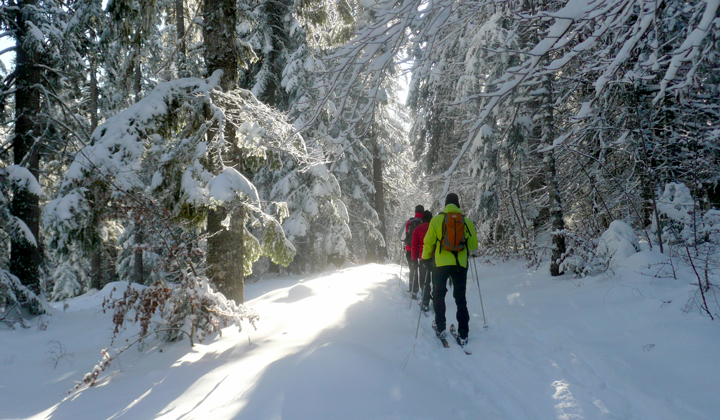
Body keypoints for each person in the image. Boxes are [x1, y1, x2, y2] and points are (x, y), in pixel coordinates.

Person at [421, 193, 477, 345]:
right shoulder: (466, 222)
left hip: (440, 265)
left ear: (445, 205)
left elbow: (428, 242)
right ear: (458, 205)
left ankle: (440, 327)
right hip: (460, 264)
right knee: (460, 298)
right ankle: (463, 333)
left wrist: (425, 259)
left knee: (439, 295)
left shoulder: (437, 220)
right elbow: (473, 246)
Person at [411, 210, 433, 308]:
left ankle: (425, 301)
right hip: (436, 258)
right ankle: (437, 301)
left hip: (423, 258)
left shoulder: (418, 228)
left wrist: (413, 259)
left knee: (424, 280)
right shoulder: (434, 227)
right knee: (436, 281)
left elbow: (414, 246)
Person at [400, 205, 424, 294]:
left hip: (410, 249)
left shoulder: (409, 222)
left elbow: (402, 237)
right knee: (422, 269)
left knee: (413, 268)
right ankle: (423, 289)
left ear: (415, 212)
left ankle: (413, 289)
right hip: (422, 250)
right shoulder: (425, 221)